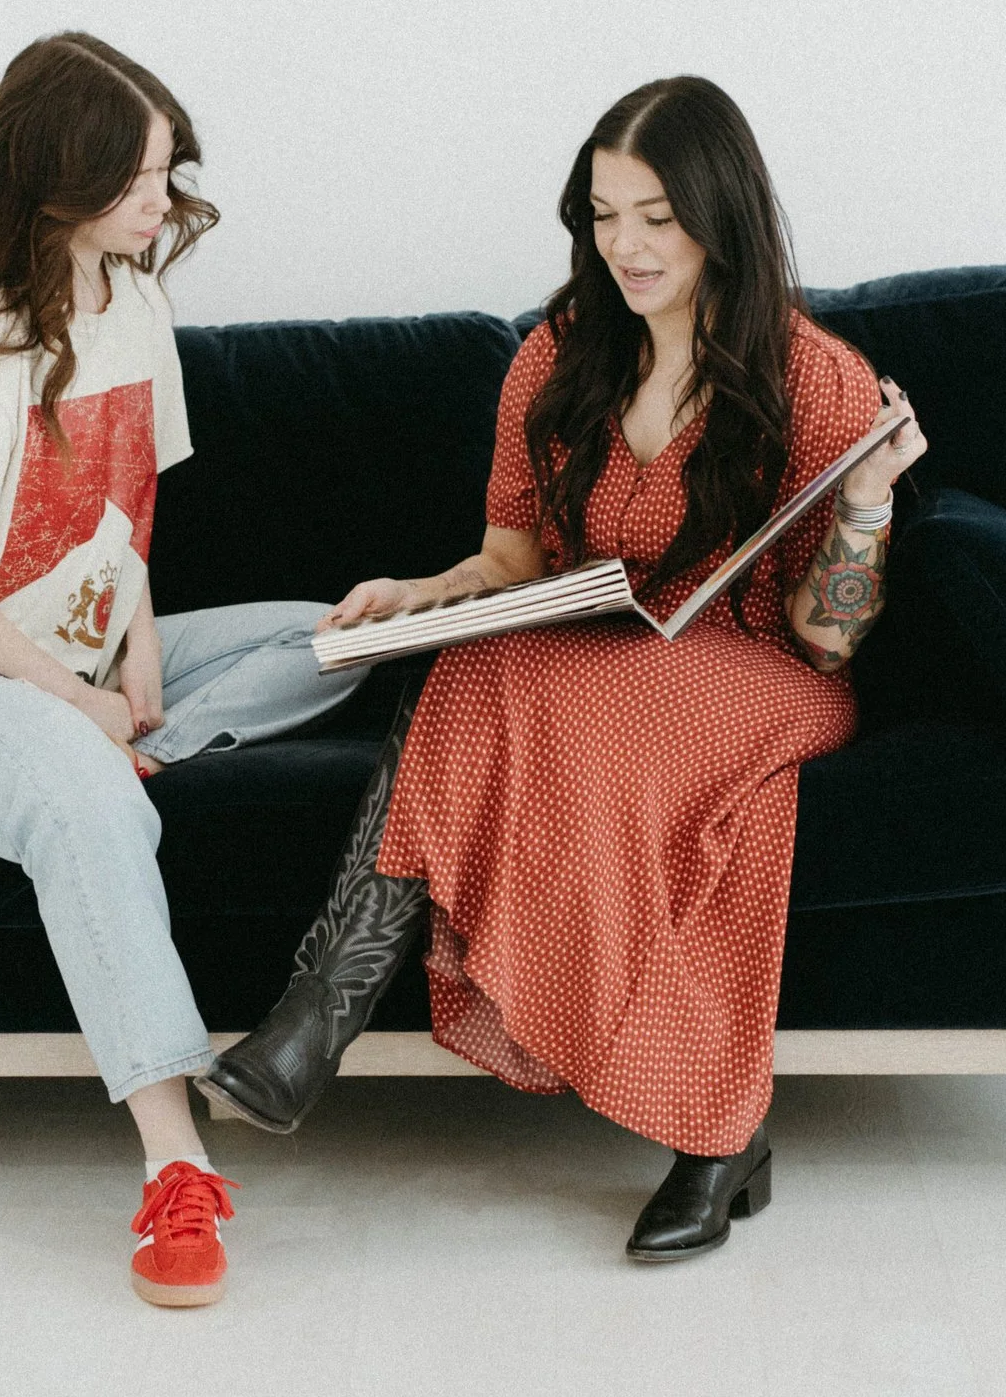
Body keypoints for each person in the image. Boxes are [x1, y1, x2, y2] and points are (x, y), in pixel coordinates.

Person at [200, 75, 927, 1261]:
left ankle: (329, 1027)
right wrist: (422, 594)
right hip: (592, 655)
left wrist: (864, 499)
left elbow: (829, 636)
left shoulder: (816, 376)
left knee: (523, 679)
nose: (626, 246)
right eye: (603, 215)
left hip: (758, 670)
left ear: (719, 215)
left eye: (656, 216)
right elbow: (510, 559)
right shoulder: (556, 357)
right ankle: (317, 1013)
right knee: (480, 661)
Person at [0, 33, 363, 1307]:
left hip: (81, 655)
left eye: (168, 171)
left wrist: (131, 649)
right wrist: (70, 703)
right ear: (59, 180)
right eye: (137, 178)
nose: (162, 201)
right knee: (83, 797)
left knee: (340, 637)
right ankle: (174, 1166)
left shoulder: (134, 302)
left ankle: (144, 745)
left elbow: (124, 518)